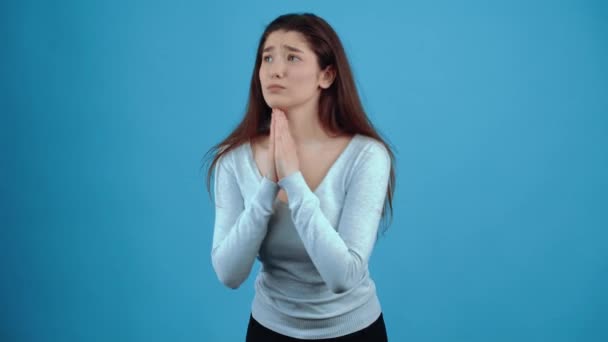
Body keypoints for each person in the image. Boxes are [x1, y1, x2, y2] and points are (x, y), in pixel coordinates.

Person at [203, 12, 396, 341]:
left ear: (327, 75)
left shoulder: (367, 156)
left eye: (292, 56)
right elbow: (229, 273)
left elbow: (343, 276)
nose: (276, 69)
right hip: (269, 330)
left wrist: (293, 180)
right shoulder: (232, 159)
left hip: (354, 331)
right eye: (268, 58)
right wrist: (268, 185)